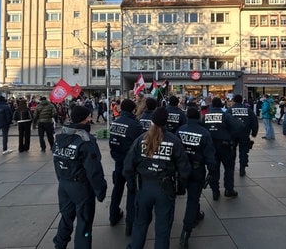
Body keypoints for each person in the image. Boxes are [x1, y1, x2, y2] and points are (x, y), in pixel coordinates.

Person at [124, 107, 191, 249]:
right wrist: (180, 188)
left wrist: (131, 185)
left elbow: (128, 164)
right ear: (166, 122)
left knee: (140, 225)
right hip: (164, 189)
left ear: (152, 120)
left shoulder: (141, 139)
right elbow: (184, 168)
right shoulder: (174, 140)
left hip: (144, 187)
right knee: (162, 230)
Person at [52, 105, 107, 249]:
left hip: (64, 184)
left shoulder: (60, 137)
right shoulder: (85, 140)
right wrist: (100, 190)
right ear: (84, 119)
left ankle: (59, 244)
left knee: (66, 217)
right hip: (81, 188)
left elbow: (56, 161)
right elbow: (94, 169)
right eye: (89, 116)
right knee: (84, 223)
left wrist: (62, 179)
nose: (90, 118)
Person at [176, 107, 217, 249]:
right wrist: (212, 171)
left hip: (181, 169)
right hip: (196, 170)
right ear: (199, 116)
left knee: (192, 198)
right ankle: (186, 232)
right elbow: (210, 155)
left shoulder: (180, 130)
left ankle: (196, 214)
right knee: (193, 199)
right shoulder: (204, 133)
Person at [108, 99, 144, 236]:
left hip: (118, 161)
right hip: (130, 165)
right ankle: (130, 224)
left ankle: (113, 215)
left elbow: (112, 143)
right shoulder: (135, 125)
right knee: (131, 192)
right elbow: (139, 147)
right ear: (133, 110)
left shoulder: (115, 122)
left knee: (117, 189)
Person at [203, 97, 244, 200]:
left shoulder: (205, 116)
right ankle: (229, 190)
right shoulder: (225, 115)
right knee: (229, 169)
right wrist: (231, 135)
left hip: (211, 147)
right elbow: (239, 126)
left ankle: (215, 191)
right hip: (225, 146)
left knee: (214, 169)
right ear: (221, 105)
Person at [227, 94, 259, 177]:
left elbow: (225, 122)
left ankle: (231, 167)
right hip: (244, 133)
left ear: (233, 100)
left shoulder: (230, 110)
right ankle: (242, 168)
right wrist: (254, 132)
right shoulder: (248, 110)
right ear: (242, 100)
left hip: (232, 134)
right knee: (244, 152)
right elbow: (254, 121)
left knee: (231, 151)